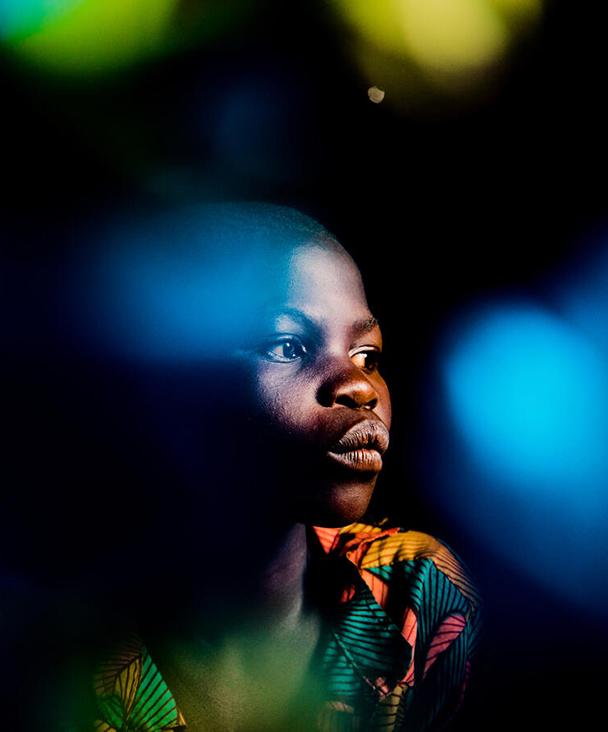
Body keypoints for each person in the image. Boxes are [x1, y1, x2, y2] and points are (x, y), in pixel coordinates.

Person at [52, 202, 481, 732]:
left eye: (365, 354)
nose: (358, 385)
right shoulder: (59, 665)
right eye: (288, 345)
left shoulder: (420, 593)